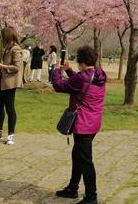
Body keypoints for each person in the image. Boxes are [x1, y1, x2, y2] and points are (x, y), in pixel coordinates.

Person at [53, 45, 107, 204]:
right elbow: (82, 84)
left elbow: (59, 85)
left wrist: (56, 70)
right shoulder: (99, 74)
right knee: (77, 155)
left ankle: (91, 197)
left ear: (81, 61)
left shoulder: (82, 78)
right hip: (94, 122)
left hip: (83, 124)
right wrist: (69, 71)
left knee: (85, 161)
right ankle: (72, 188)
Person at [0, 26, 23, 145]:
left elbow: (17, 67)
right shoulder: (7, 48)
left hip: (10, 84)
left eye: (3, 36)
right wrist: (0, 66)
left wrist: (3, 67)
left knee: (9, 108)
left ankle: (11, 135)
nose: (2, 38)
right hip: (3, 81)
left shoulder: (15, 49)